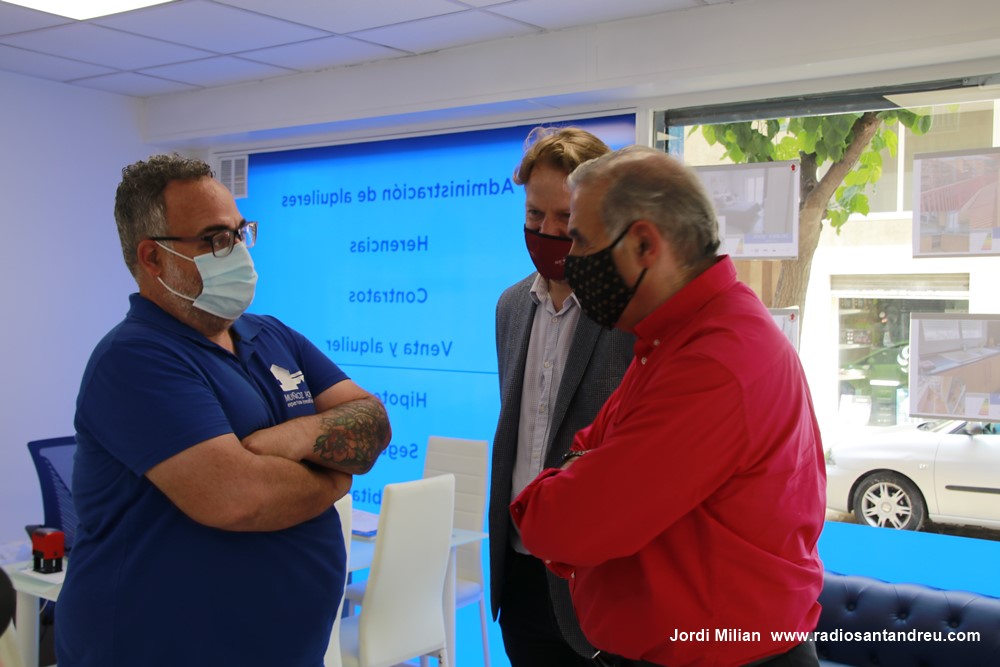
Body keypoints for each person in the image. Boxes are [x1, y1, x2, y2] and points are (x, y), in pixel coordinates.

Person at [56, 154, 392, 667]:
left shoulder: (272, 335)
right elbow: (240, 499)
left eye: (240, 232)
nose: (237, 251)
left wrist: (293, 439)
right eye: (215, 239)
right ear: (153, 258)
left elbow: (373, 421)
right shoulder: (135, 358)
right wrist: (334, 479)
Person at [511, 146, 826, 667]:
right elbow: (587, 452)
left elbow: (564, 525)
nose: (569, 257)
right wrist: (583, 469)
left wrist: (569, 481)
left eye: (581, 240)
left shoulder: (713, 361)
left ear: (643, 244)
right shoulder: (674, 336)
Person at [490, 127, 635, 666]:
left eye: (564, 219)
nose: (547, 231)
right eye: (534, 215)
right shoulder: (510, 307)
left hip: (599, 577)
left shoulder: (630, 311)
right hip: (519, 569)